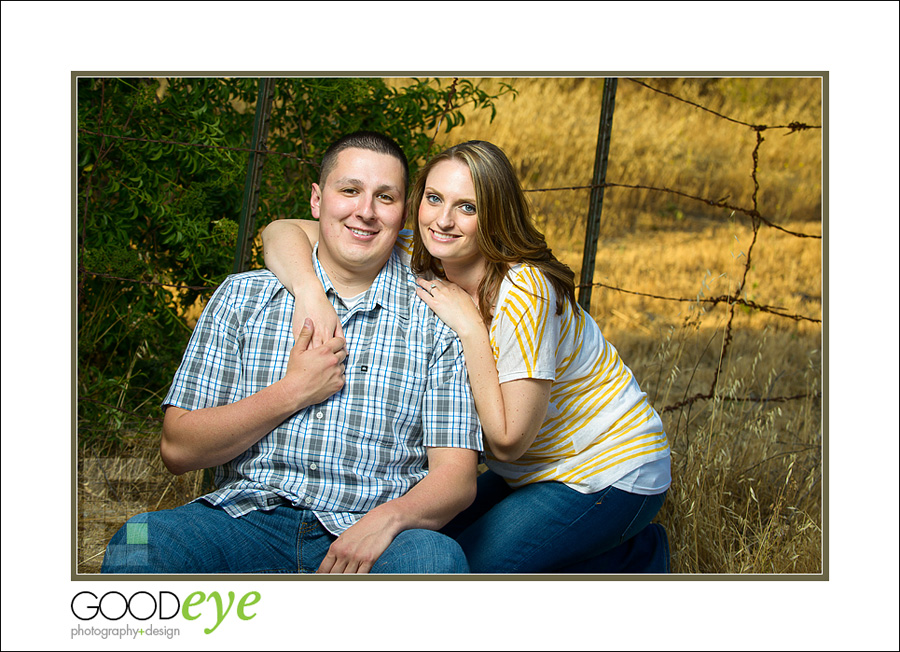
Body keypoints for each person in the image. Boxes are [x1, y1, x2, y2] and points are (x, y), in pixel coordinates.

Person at [263, 140, 671, 574]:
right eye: (434, 199)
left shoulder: (524, 292)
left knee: (468, 571)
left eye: (467, 208)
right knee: (430, 543)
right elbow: (280, 231)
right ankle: (607, 548)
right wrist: (310, 292)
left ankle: (635, 556)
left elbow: (508, 442)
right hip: (534, 473)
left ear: (493, 215)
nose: (443, 220)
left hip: (608, 471)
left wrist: (472, 326)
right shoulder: (422, 251)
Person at [101, 131, 482, 575]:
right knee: (138, 536)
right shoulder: (244, 297)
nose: (366, 211)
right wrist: (293, 391)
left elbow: (455, 478)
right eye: (350, 190)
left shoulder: (439, 317)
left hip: (371, 535)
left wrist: (387, 522)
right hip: (244, 519)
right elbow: (178, 448)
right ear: (317, 201)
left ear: (404, 216)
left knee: (437, 559)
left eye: (386, 197)